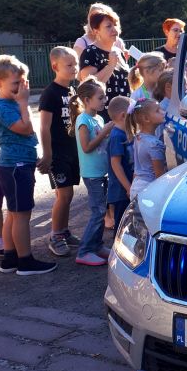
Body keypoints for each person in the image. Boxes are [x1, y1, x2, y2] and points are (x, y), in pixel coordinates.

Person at [0, 55, 57, 275]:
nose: (21, 89)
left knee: (13, 213)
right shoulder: (2, 106)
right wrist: (24, 103)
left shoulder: (10, 103)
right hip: (14, 166)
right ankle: (25, 261)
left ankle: (10, 258)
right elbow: (25, 129)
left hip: (19, 164)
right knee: (21, 214)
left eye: (24, 83)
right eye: (16, 84)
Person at [38, 46, 81, 256]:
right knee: (63, 195)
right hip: (58, 153)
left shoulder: (72, 91)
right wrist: (47, 155)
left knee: (69, 194)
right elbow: (44, 126)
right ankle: (54, 236)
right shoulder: (50, 93)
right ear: (55, 66)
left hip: (72, 151)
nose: (75, 68)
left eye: (76, 64)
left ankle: (64, 231)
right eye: (69, 65)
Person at [71, 77, 114, 266]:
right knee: (97, 212)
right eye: (101, 97)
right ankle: (84, 250)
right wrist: (104, 132)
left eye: (104, 96)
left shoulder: (98, 118)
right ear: (87, 100)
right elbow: (86, 147)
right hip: (92, 174)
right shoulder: (83, 120)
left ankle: (96, 246)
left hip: (102, 172)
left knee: (101, 209)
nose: (104, 100)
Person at [79, 10, 131, 122]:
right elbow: (88, 86)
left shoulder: (118, 51)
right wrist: (110, 66)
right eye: (108, 26)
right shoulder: (90, 52)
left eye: (115, 25)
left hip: (125, 116)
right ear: (96, 31)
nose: (114, 29)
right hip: (104, 119)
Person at [127, 99, 167, 199]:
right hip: (148, 189)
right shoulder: (154, 144)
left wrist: (132, 187)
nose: (163, 112)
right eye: (158, 111)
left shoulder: (138, 137)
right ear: (146, 118)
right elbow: (159, 176)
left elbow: (137, 169)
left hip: (136, 186)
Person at [106, 97, 134, 231]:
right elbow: (115, 164)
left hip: (127, 189)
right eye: (132, 114)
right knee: (121, 228)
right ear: (124, 115)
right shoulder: (117, 136)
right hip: (120, 191)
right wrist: (128, 187)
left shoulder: (125, 133)